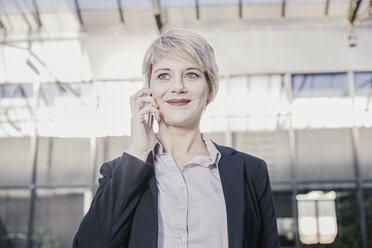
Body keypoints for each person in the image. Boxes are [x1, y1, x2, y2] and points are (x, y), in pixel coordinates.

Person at [73, 29, 280, 248]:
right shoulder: (119, 172)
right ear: (148, 89)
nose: (178, 87)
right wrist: (138, 150)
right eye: (164, 75)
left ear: (209, 88)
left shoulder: (251, 171)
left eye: (191, 74)